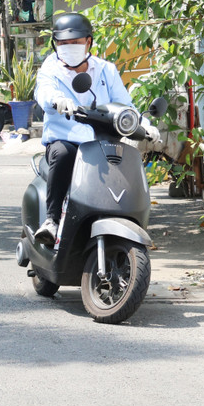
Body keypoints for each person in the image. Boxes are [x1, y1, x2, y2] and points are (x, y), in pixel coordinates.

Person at [32, 13, 136, 246]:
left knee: (125, 161)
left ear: (89, 42)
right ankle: (51, 220)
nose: (69, 47)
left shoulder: (106, 70)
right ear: (55, 44)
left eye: (75, 42)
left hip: (101, 142)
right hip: (64, 141)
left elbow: (124, 104)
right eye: (63, 43)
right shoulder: (50, 69)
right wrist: (57, 99)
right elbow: (44, 92)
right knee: (64, 153)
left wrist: (144, 125)